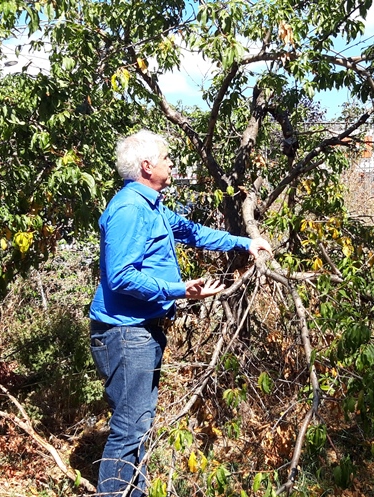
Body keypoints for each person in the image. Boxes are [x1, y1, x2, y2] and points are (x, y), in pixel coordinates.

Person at [88, 129, 271, 496]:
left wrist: (245, 242)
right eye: (167, 158)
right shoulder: (129, 209)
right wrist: (179, 290)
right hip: (125, 333)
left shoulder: (152, 205)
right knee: (129, 427)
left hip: (143, 331)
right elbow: (121, 277)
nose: (172, 164)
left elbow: (194, 232)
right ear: (146, 165)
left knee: (139, 425)